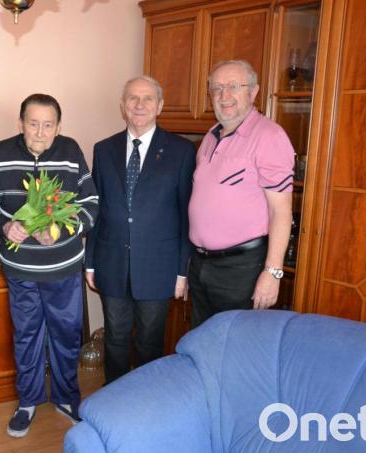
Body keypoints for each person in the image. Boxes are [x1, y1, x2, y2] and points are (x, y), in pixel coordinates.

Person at [0, 94, 99, 437]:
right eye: (33, 123)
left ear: (58, 126)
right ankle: (28, 401)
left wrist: (62, 230)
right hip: (20, 269)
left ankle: (66, 398)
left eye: (48, 125)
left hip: (63, 267)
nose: (40, 132)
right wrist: (4, 226)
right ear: (20, 124)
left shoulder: (70, 152)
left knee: (66, 334)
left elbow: (91, 203)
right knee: (26, 335)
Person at [85, 76, 196, 385]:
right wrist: (90, 262)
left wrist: (182, 271)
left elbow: (186, 215)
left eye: (148, 98)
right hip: (111, 262)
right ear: (123, 106)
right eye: (133, 98)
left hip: (159, 267)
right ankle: (114, 401)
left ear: (159, 106)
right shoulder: (103, 149)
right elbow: (96, 208)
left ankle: (146, 402)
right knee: (115, 338)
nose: (140, 104)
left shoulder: (182, 151)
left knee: (150, 341)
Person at [187, 59, 293, 327]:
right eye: (216, 88)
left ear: (253, 92)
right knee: (203, 341)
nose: (224, 95)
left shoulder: (269, 136)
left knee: (236, 343)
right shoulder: (210, 136)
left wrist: (273, 273)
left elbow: (281, 211)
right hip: (201, 264)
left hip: (241, 269)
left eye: (234, 86)